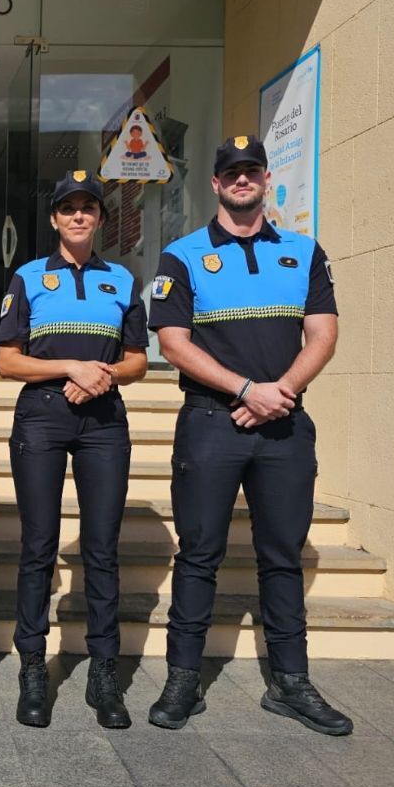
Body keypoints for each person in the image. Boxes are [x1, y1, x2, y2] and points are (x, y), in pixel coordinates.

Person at [146, 135, 351, 735]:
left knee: (282, 557)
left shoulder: (304, 252)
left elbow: (323, 334)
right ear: (214, 183)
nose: (241, 180)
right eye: (230, 172)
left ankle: (291, 683)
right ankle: (183, 679)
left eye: (250, 171)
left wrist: (277, 393)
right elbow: (173, 343)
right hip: (212, 423)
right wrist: (245, 391)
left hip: (285, 422)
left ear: (265, 178)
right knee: (199, 554)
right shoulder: (182, 255)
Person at [0, 170, 149, 729]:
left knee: (102, 548)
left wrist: (101, 376)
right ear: (55, 218)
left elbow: (138, 359)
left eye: (89, 208)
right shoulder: (29, 277)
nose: (79, 216)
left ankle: (103, 670)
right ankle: (33, 666)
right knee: (38, 544)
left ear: (101, 219)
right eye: (69, 209)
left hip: (103, 421)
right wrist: (70, 367)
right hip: (42, 416)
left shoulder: (123, 280)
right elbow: (8, 359)